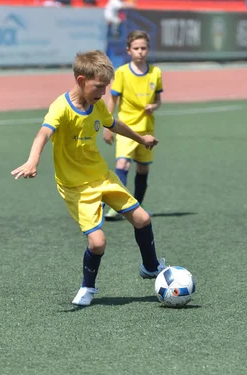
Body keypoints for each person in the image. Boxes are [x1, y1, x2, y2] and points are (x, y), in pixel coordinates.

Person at [11, 50, 166, 306]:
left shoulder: (96, 105)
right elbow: (43, 134)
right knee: (97, 242)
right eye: (99, 86)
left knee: (142, 218)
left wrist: (141, 138)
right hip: (76, 187)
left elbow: (113, 124)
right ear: (81, 80)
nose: (103, 92)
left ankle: (150, 266)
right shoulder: (61, 107)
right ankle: (88, 287)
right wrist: (32, 160)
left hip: (102, 176)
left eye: (106, 87)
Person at [103, 30, 163, 221]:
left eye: (143, 48)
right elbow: (112, 100)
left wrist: (154, 106)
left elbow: (159, 100)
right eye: (136, 48)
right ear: (129, 50)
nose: (140, 52)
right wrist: (107, 125)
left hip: (146, 128)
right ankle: (118, 207)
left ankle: (138, 204)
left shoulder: (156, 72)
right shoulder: (121, 72)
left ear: (148, 49)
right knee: (122, 163)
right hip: (125, 127)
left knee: (143, 168)